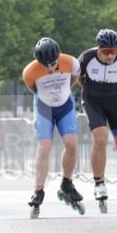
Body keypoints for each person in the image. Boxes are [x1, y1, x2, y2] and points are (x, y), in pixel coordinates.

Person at [22, 37, 83, 217]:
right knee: (45, 147)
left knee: (72, 144)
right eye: (44, 65)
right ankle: (38, 190)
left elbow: (74, 80)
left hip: (65, 105)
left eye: (53, 64)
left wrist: (60, 93)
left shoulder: (71, 62)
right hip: (44, 107)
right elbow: (33, 88)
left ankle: (67, 183)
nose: (49, 69)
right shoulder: (29, 71)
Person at [78, 28, 117, 212]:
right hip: (92, 100)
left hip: (114, 100)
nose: (110, 56)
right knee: (100, 138)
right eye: (105, 52)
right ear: (98, 49)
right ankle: (99, 183)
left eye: (113, 51)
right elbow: (78, 77)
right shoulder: (86, 58)